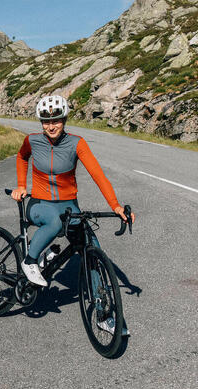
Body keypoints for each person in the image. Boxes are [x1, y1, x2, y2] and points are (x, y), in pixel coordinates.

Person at [11, 94, 135, 334]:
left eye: (56, 120)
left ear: (64, 118)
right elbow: (21, 157)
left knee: (93, 250)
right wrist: (21, 185)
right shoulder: (32, 141)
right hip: (38, 203)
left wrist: (116, 206)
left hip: (69, 205)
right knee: (55, 223)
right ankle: (30, 261)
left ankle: (103, 314)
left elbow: (98, 175)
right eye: (46, 121)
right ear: (40, 123)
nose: (51, 126)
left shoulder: (77, 143)